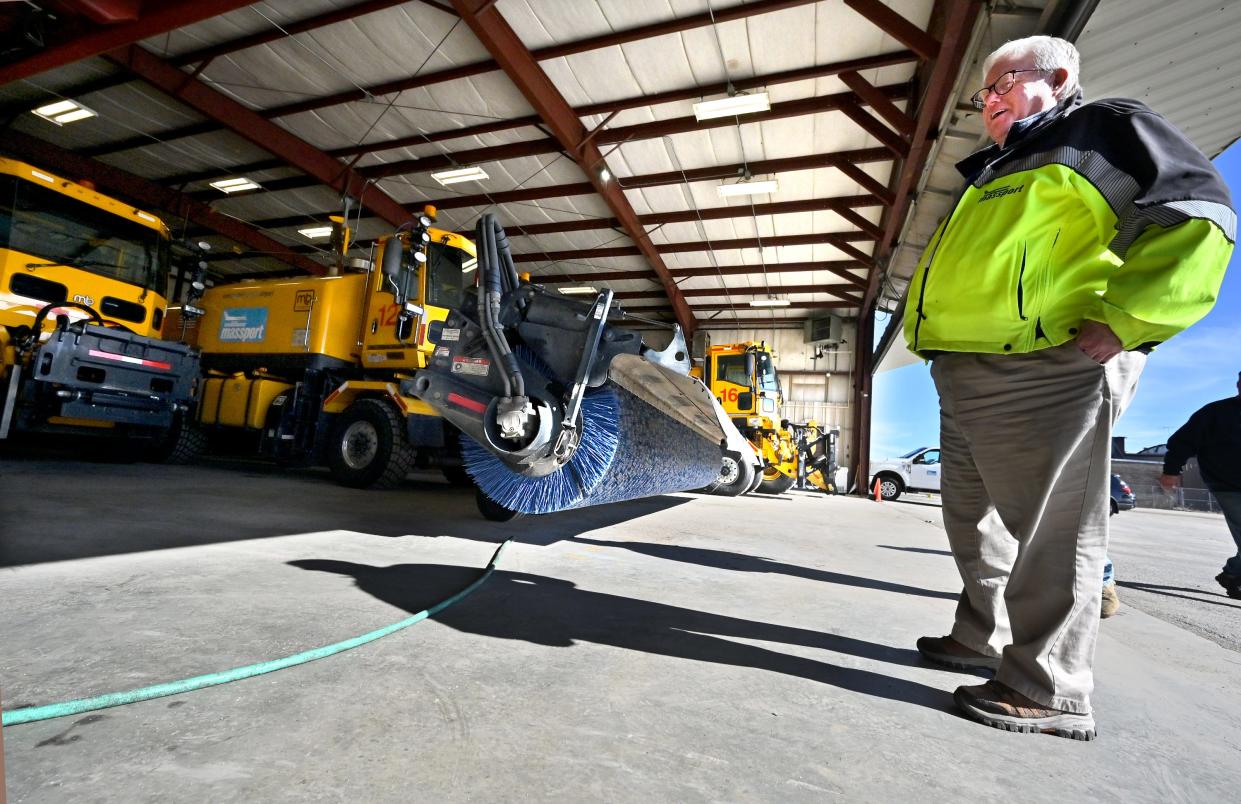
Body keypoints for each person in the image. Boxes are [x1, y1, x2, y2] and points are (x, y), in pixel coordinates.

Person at [901, 35, 1234, 740]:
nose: (986, 103)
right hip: (964, 363)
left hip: (1041, 364)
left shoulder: (1102, 130)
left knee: (1052, 534)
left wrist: (1126, 319)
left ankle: (1047, 684)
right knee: (972, 521)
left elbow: (1200, 215)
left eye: (1001, 86)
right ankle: (979, 634)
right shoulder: (995, 167)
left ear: (1055, 79)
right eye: (981, 94)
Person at [1159, 372, 1241, 598]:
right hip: (1229, 485)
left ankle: (1234, 574)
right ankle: (1233, 575)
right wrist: (1171, 471)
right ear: (1238, 385)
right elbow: (1181, 442)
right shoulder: (1215, 413)